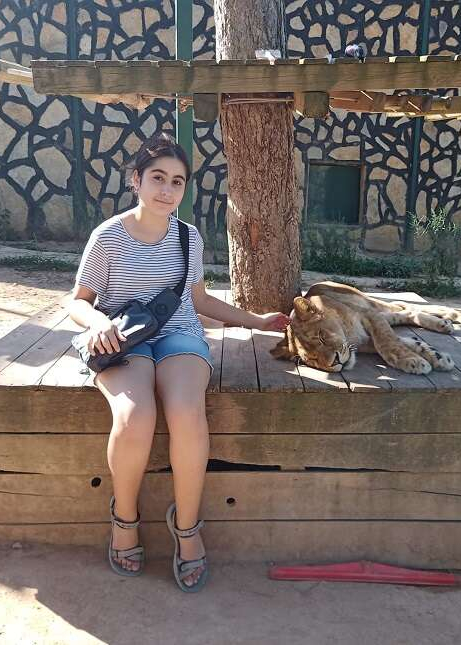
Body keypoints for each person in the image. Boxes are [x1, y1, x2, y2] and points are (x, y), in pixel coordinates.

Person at [66, 133, 290, 593]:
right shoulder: (108, 237)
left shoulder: (188, 237)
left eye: (177, 181)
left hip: (179, 334)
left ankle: (187, 527)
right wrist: (96, 323)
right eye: (157, 178)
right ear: (136, 180)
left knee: (187, 412)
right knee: (135, 415)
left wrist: (256, 320)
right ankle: (124, 518)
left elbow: (199, 301)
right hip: (123, 339)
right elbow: (78, 301)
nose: (166, 190)